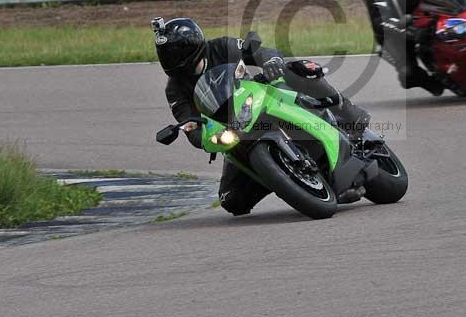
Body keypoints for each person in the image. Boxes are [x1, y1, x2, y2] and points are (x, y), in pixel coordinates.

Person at [151, 16, 370, 215]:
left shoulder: (221, 47)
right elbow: (189, 124)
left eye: (173, 52)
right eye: (164, 53)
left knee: (299, 70)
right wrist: (204, 137)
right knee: (232, 201)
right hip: (232, 129)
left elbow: (259, 52)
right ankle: (281, 176)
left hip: (258, 99)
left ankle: (349, 113)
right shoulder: (174, 89)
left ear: (192, 45)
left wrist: (271, 61)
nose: (168, 58)